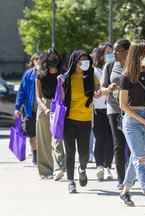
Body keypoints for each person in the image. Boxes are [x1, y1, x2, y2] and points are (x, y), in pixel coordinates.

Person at [119, 40, 145, 210]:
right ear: (138, 54)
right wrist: (142, 120)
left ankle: (125, 191)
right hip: (132, 121)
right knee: (141, 158)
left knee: (136, 157)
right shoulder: (126, 76)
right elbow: (123, 105)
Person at [99, 39, 131, 190]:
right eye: (114, 51)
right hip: (114, 109)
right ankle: (121, 179)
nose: (115, 53)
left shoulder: (134, 66)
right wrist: (109, 88)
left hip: (131, 109)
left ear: (127, 51)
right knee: (118, 144)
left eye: (118, 51)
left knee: (131, 145)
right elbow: (101, 90)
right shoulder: (109, 66)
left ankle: (131, 175)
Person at [63, 50, 95, 193]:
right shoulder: (66, 78)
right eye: (81, 60)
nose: (84, 63)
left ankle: (82, 169)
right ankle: (70, 181)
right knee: (70, 151)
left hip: (85, 120)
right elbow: (60, 98)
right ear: (74, 62)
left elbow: (99, 90)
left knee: (84, 154)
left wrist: (102, 92)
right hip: (69, 120)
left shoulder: (91, 76)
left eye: (86, 60)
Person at [35, 50, 65, 180]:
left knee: (57, 138)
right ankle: (45, 170)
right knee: (43, 140)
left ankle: (59, 168)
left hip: (58, 104)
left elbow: (64, 93)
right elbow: (38, 96)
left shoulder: (61, 75)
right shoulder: (40, 75)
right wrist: (45, 109)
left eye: (55, 65)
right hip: (44, 105)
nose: (53, 69)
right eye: (51, 65)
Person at [91, 43, 114, 181]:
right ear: (100, 54)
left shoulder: (115, 69)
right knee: (100, 138)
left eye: (112, 52)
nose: (110, 55)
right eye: (107, 52)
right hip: (97, 109)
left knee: (111, 140)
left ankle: (108, 167)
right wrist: (101, 91)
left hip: (112, 108)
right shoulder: (94, 71)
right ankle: (99, 166)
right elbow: (93, 92)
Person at [15, 53, 39, 165]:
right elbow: (21, 92)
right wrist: (17, 107)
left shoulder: (46, 73)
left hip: (43, 110)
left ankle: (42, 155)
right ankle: (35, 154)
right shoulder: (28, 74)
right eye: (36, 59)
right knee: (31, 133)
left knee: (43, 134)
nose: (38, 61)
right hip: (30, 109)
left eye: (40, 59)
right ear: (33, 61)